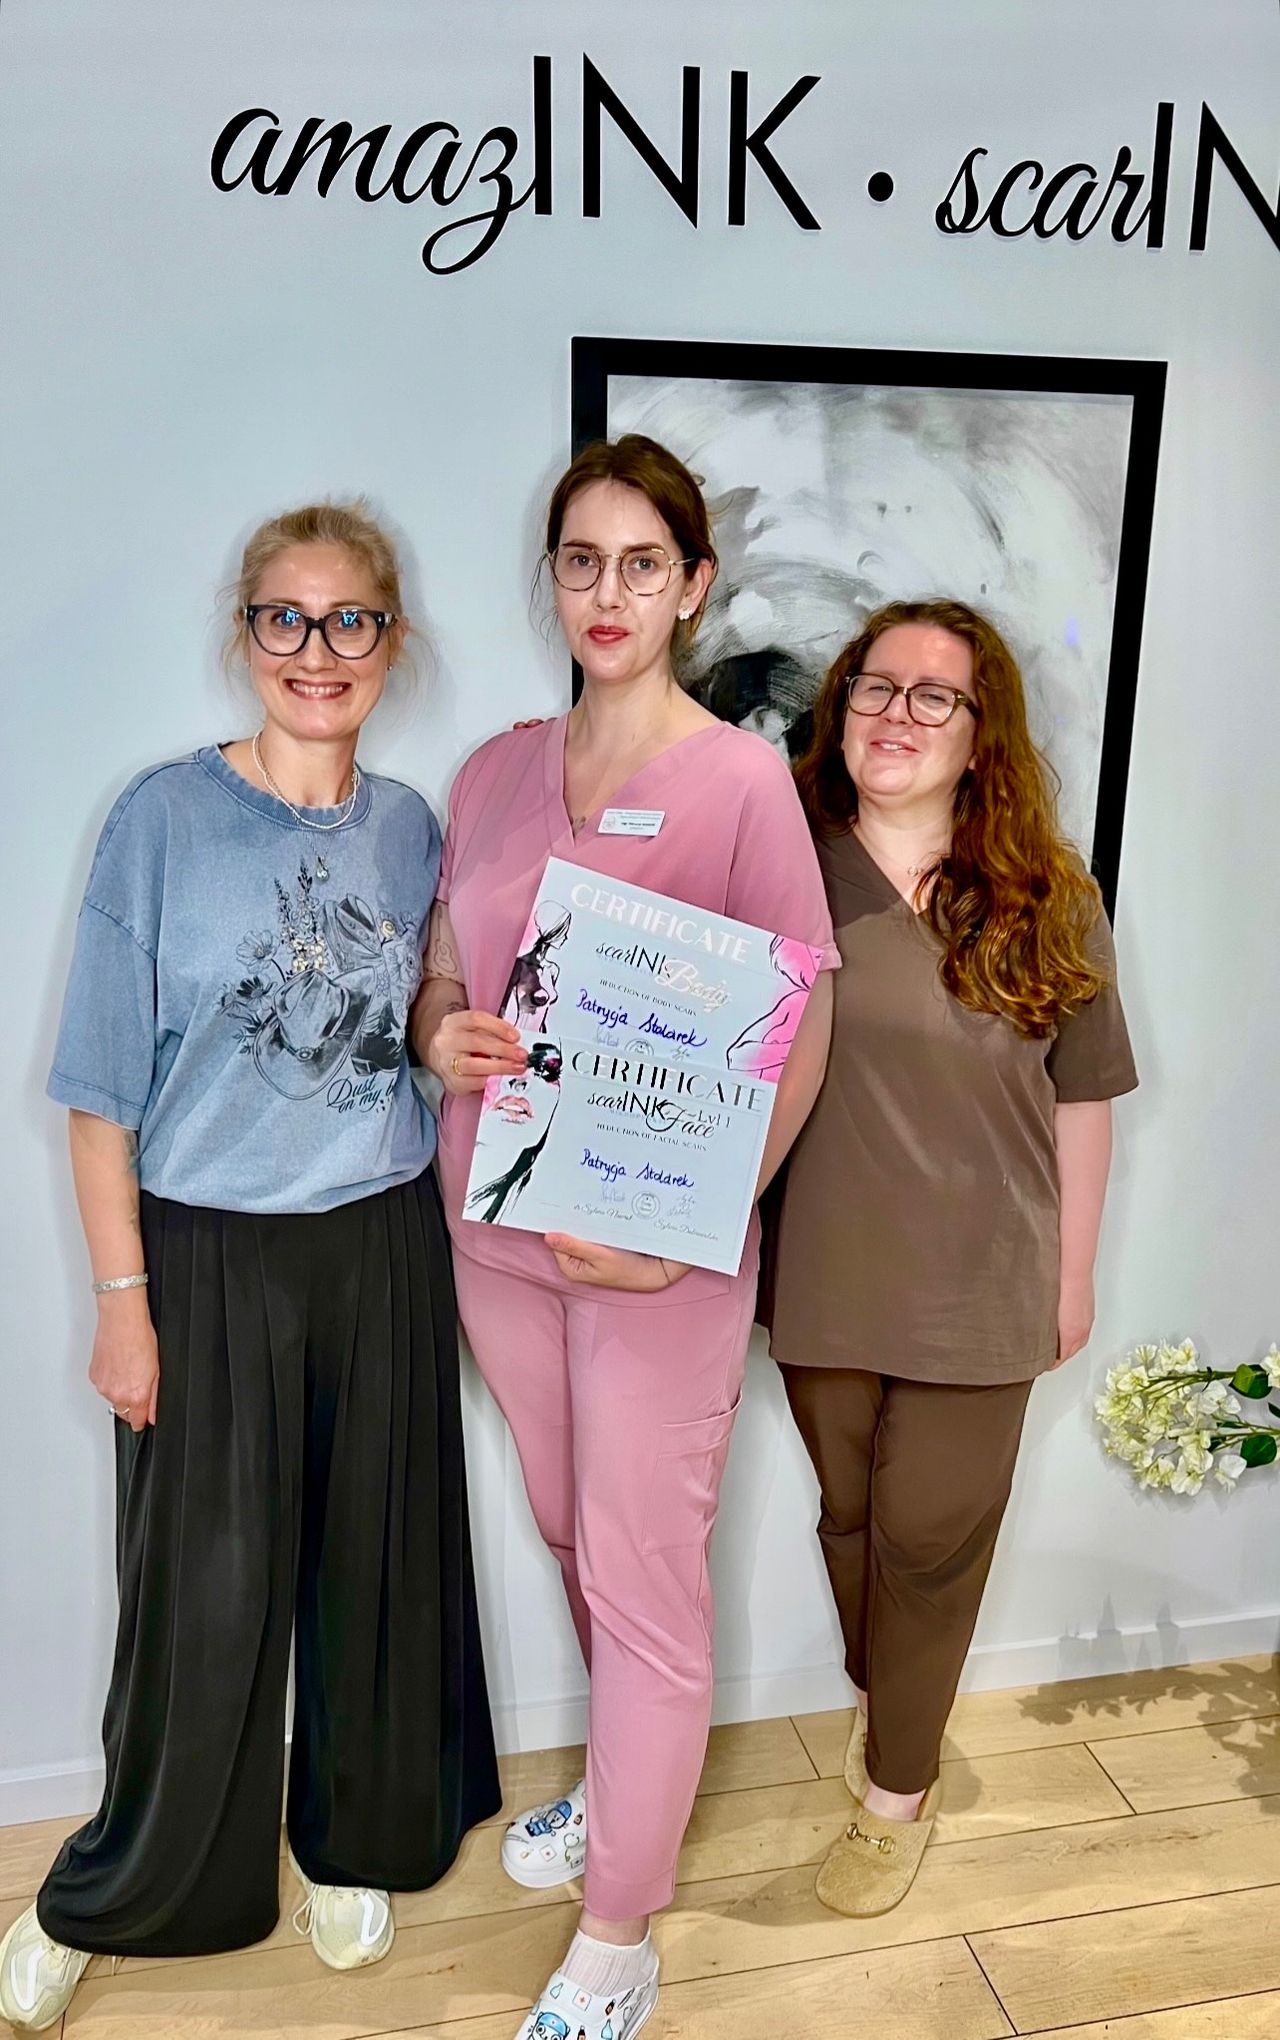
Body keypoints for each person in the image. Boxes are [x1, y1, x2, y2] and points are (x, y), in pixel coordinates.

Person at [0, 502, 500, 2034]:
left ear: (390, 642)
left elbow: (419, 1007)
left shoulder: (412, 828)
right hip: (206, 1253)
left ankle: (353, 1845)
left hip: (381, 1241)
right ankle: (122, 1887)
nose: (317, 649)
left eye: (350, 619)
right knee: (200, 1599)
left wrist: (442, 1039)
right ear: (246, 634)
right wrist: (123, 1304)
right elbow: (100, 1093)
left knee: (372, 1565)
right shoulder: (159, 820)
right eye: (287, 617)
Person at [412, 434, 838, 2040]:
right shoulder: (493, 772)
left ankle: (620, 1935)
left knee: (646, 1571)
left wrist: (701, 1231)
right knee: (572, 1531)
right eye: (582, 561)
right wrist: (437, 1030)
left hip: (659, 1259)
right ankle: (621, 1783)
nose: (608, 593)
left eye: (642, 564)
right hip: (499, 1234)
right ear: (555, 579)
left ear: (692, 586)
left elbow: (799, 1030)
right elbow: (446, 968)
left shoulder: (739, 783)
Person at [764, 597, 1138, 1917]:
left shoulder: (1049, 896)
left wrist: (1073, 1275)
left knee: (928, 1540)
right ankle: (896, 1701)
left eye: (937, 696)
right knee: (852, 1522)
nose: (898, 715)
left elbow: (1084, 1100)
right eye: (876, 687)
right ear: (840, 709)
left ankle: (895, 1796)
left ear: (984, 735)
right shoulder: (783, 868)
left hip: (987, 1279)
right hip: (819, 1271)